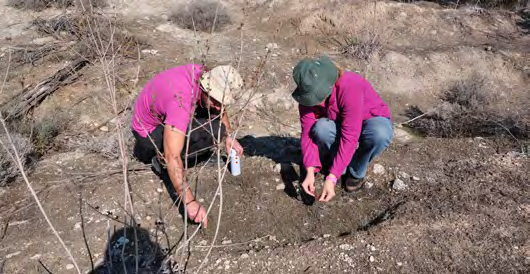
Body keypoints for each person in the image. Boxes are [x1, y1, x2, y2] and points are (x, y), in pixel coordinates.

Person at [131, 64, 244, 227]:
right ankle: (159, 162)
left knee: (219, 127)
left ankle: (177, 150)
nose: (219, 108)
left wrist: (229, 137)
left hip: (161, 113)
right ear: (206, 88)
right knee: (212, 131)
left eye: (222, 102)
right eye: (216, 101)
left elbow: (219, 107)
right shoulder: (181, 101)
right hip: (147, 130)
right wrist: (190, 202)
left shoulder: (206, 75)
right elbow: (173, 156)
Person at [292, 56, 393, 203]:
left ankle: (356, 170)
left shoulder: (350, 85)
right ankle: (339, 166)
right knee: (321, 128)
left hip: (369, 121)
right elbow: (307, 134)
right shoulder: (306, 97)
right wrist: (309, 171)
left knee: (380, 134)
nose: (315, 99)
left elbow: (350, 135)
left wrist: (331, 178)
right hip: (338, 123)